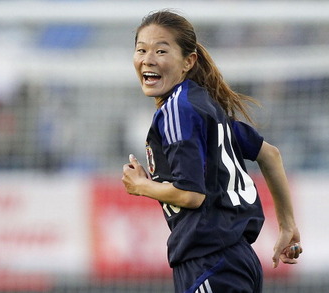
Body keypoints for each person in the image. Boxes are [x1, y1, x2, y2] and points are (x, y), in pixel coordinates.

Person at [121, 10, 302, 293]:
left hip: (209, 261)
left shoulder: (178, 110)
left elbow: (192, 195)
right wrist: (287, 224)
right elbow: (270, 155)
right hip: (235, 259)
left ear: (188, 62)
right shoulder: (203, 106)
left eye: (161, 50)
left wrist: (142, 186)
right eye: (141, 50)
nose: (148, 59)